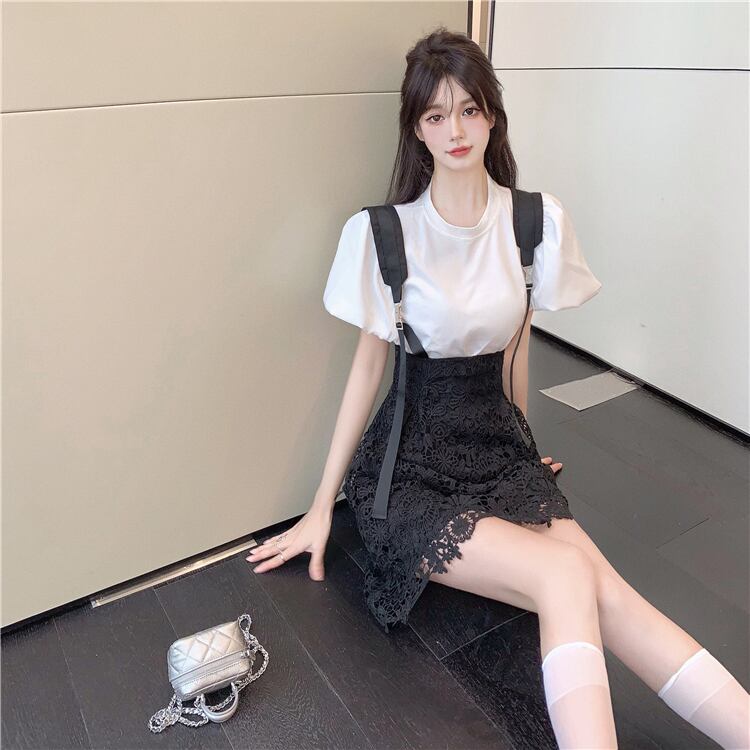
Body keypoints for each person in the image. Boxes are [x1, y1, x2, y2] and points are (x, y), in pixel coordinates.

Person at [246, 26, 750, 750]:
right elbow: (367, 370)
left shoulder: (533, 223)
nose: (455, 130)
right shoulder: (384, 234)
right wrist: (323, 506)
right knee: (565, 575)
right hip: (409, 471)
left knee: (607, 588)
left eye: (469, 110)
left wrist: (521, 450)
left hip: (495, 449)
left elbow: (515, 350)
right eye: (435, 115)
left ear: (492, 115)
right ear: (416, 129)